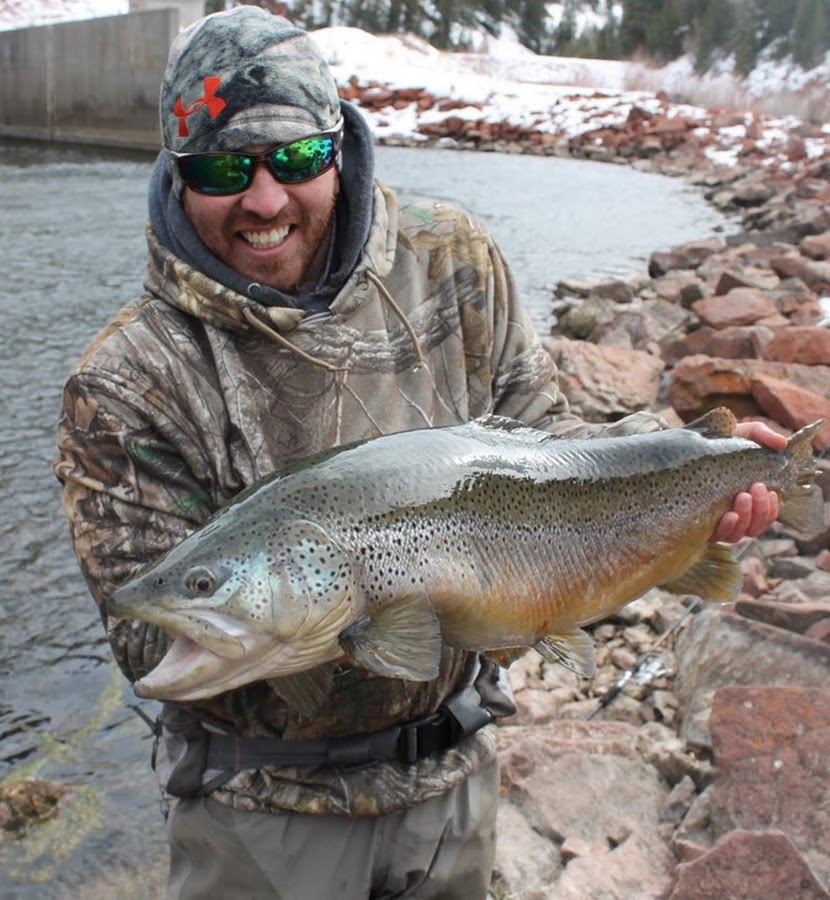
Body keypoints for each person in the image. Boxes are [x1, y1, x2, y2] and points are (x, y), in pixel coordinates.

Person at [53, 7, 784, 899]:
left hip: (454, 788)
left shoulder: (451, 261)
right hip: (260, 818)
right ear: (175, 173)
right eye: (220, 170)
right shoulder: (127, 380)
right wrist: (361, 612)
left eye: (294, 160)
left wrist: (697, 488)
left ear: (340, 148)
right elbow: (144, 641)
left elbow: (555, 456)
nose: (265, 200)